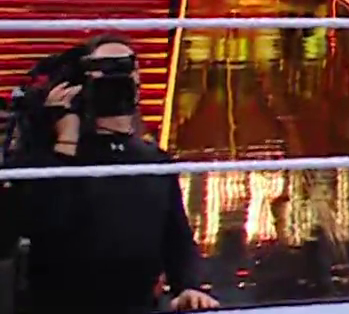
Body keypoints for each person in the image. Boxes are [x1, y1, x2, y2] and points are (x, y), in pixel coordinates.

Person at [0, 35, 218, 313]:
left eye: (125, 69)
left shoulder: (154, 160)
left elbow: (177, 239)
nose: (118, 81)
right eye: (107, 70)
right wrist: (64, 137)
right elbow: (33, 224)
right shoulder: (48, 157)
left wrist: (189, 286)